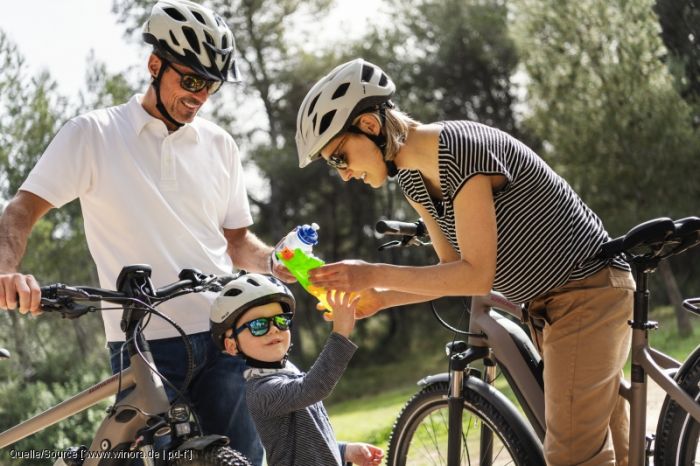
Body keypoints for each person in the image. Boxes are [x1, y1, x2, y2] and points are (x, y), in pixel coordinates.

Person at [294, 58, 635, 466]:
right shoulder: (413, 179)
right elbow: (450, 271)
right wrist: (381, 297)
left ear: (368, 125)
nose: (344, 174)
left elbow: (476, 275)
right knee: (616, 453)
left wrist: (373, 272)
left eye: (338, 157)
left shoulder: (459, 150)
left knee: (571, 456)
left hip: (586, 290)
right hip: (551, 305)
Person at [0, 1, 292, 463]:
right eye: (191, 80)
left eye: (211, 85)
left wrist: (274, 261)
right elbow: (21, 211)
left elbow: (237, 242)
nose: (200, 96)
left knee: (248, 458)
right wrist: (6, 273)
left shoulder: (220, 144)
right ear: (155, 65)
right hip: (144, 345)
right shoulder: (93, 134)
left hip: (226, 332)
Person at [210, 273, 384, 466]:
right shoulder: (262, 392)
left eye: (281, 320)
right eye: (258, 325)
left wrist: (345, 451)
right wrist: (340, 333)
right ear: (232, 345)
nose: (274, 329)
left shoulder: (289, 373)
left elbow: (306, 444)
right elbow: (313, 387)